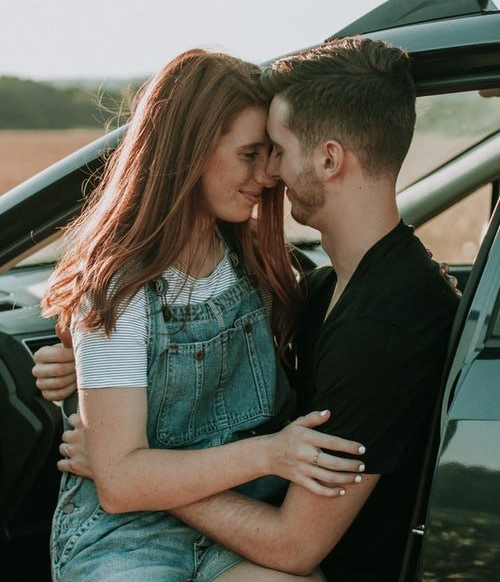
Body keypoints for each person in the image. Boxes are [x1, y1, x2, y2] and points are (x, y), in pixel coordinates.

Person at [34, 37, 460, 581]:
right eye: (252, 154)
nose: (269, 174)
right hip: (132, 537)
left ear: (329, 158)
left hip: (246, 522)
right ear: (190, 152)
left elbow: (289, 543)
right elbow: (128, 465)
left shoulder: (288, 281)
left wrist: (126, 470)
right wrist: (87, 368)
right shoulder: (314, 285)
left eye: (274, 151)